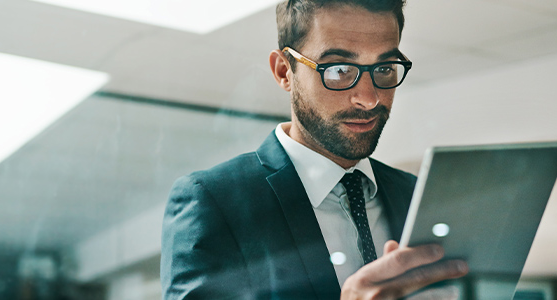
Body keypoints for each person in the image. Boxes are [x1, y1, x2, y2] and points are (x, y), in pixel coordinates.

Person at [161, 0, 468, 298]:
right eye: (338, 69)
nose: (369, 98)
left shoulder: (419, 195)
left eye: (385, 68)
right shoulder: (214, 202)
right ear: (284, 71)